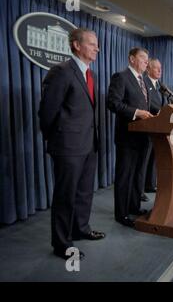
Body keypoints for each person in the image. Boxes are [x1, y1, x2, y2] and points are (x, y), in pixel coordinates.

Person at [38, 28, 105, 260]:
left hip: (88, 145)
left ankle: (81, 229)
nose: (97, 48)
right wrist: (56, 140)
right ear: (76, 45)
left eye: (97, 44)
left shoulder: (91, 74)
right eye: (92, 43)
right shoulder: (61, 72)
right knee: (65, 196)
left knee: (84, 192)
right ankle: (62, 243)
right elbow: (47, 112)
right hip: (67, 147)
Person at [107, 47, 157, 228]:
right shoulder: (121, 77)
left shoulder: (144, 81)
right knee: (125, 176)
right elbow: (113, 103)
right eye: (143, 58)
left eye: (147, 58)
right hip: (127, 137)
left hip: (143, 137)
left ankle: (134, 207)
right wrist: (136, 113)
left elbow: (146, 107)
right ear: (131, 59)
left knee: (138, 175)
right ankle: (121, 214)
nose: (146, 61)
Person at [143, 58, 168, 197]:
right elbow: (146, 102)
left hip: (158, 128)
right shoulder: (144, 83)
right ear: (148, 69)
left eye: (160, 68)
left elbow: (164, 103)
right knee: (145, 160)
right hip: (148, 126)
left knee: (153, 158)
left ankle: (150, 184)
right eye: (156, 68)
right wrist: (159, 112)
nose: (159, 70)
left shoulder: (161, 86)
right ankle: (140, 189)